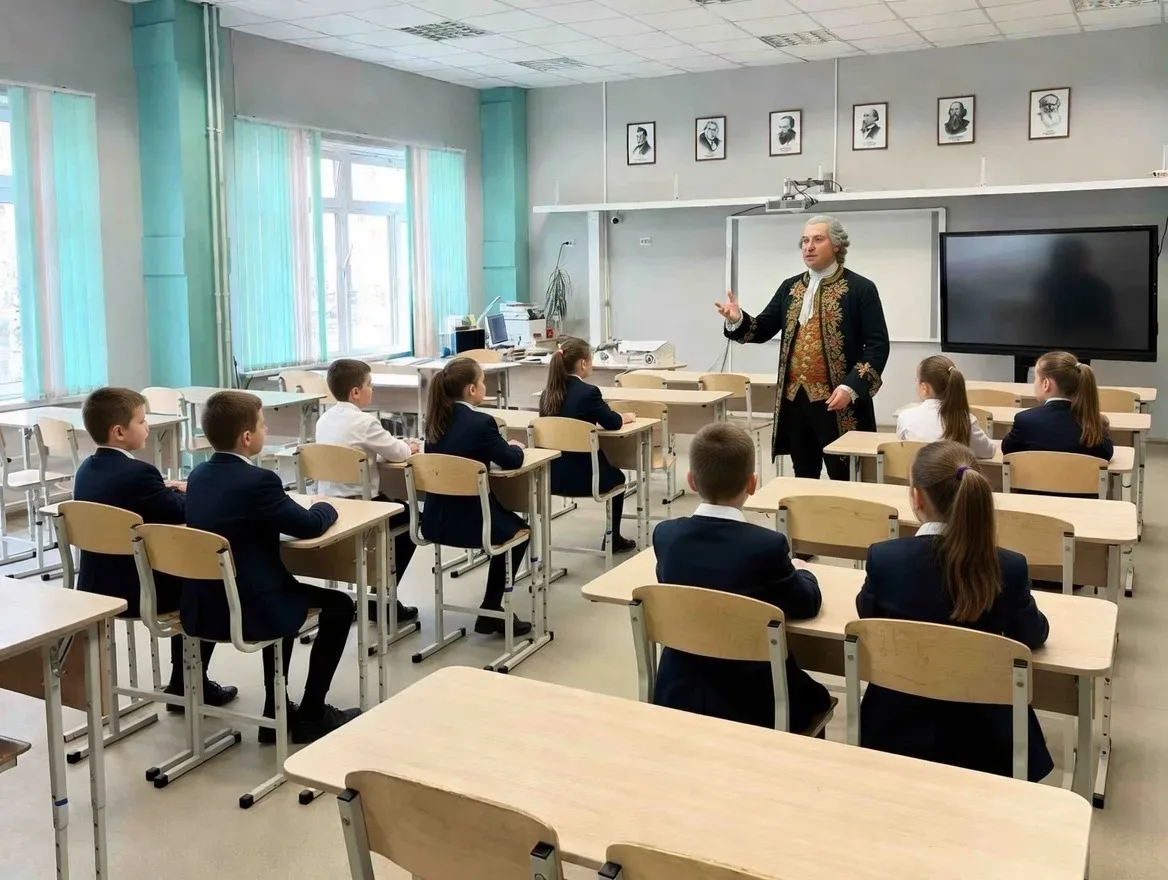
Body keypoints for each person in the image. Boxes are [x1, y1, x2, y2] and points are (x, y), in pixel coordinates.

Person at [855, 440, 1053, 782]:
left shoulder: (885, 559)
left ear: (917, 497)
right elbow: (1033, 635)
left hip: (896, 723)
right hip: (985, 735)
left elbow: (867, 615)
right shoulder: (1008, 567)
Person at [181, 391, 359, 744]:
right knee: (340, 605)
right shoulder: (259, 481)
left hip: (204, 604)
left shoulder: (198, 475)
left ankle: (275, 707)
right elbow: (308, 525)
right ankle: (312, 713)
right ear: (247, 437)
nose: (265, 431)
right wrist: (326, 506)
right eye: (263, 426)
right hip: (253, 608)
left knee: (285, 588)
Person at [651, 423, 830, 733]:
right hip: (754, 702)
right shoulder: (766, 546)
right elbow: (806, 604)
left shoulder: (666, 536)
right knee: (818, 697)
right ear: (752, 483)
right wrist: (803, 571)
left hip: (679, 690)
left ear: (691, 480)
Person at [73, 388, 237, 710]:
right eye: (142, 420)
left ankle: (184, 682)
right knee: (206, 579)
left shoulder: (86, 470)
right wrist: (187, 491)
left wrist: (162, 490)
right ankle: (187, 682)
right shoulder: (139, 474)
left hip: (96, 585)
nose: (147, 426)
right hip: (139, 590)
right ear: (119, 432)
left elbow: (146, 502)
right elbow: (182, 511)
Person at [716, 215, 890, 481]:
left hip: (838, 403)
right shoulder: (791, 287)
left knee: (845, 477)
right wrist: (737, 318)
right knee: (803, 476)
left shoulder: (860, 289)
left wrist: (851, 387)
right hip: (794, 401)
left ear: (837, 245)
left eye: (818, 240)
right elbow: (762, 329)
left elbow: (877, 347)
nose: (809, 246)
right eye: (805, 240)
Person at [421, 358, 532, 637]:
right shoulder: (482, 422)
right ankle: (491, 609)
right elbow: (511, 461)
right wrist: (514, 447)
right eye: (483, 382)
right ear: (472, 390)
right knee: (521, 533)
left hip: (436, 521)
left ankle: (491, 611)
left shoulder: (433, 422)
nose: (485, 386)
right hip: (475, 523)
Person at [314, 358, 420, 624]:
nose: (372, 389)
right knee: (412, 520)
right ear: (356, 392)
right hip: (362, 508)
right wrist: (409, 446)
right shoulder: (365, 422)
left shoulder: (323, 420)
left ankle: (371, 597)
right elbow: (399, 452)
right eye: (369, 385)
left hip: (329, 505)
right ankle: (381, 599)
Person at [539, 337, 637, 554]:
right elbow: (612, 422)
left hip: (552, 477)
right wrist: (626, 416)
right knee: (618, 479)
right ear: (583, 363)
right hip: (587, 478)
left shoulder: (547, 394)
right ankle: (613, 538)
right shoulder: (589, 392)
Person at [1000, 351, 1114, 463]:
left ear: (1046, 384)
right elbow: (1106, 455)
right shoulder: (1093, 424)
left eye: (1035, 378)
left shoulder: (1025, 421)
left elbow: (1008, 450)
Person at [897, 355, 995, 459]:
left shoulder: (905, 417)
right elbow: (988, 451)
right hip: (953, 470)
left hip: (918, 469)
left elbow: (901, 449)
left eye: (916, 380)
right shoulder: (965, 420)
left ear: (924, 388)